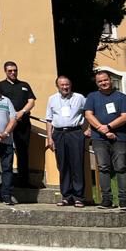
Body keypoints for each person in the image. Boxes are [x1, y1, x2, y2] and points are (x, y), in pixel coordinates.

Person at [84, 70, 126, 211]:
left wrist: (109, 127)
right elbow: (88, 115)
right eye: (100, 81)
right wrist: (101, 129)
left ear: (110, 80)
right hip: (99, 138)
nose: (103, 83)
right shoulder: (92, 97)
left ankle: (123, 201)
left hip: (119, 137)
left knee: (121, 168)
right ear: (97, 83)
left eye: (105, 80)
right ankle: (106, 200)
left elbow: (125, 117)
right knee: (103, 168)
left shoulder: (121, 97)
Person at [45, 76, 87, 208]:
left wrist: (89, 129)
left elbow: (90, 113)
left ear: (71, 85)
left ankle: (78, 197)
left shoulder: (80, 98)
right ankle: (66, 196)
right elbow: (49, 119)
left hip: (75, 133)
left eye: (67, 84)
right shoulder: (52, 99)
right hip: (58, 134)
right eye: (62, 85)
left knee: (77, 164)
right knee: (63, 165)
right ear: (57, 86)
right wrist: (49, 137)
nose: (65, 87)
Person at [0, 61, 37, 188]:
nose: (13, 73)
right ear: (5, 71)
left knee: (23, 151)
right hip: (6, 124)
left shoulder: (24, 85)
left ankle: (24, 180)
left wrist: (22, 112)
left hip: (23, 123)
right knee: (5, 152)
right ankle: (5, 182)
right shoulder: (0, 86)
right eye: (10, 71)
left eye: (15, 70)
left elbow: (31, 101)